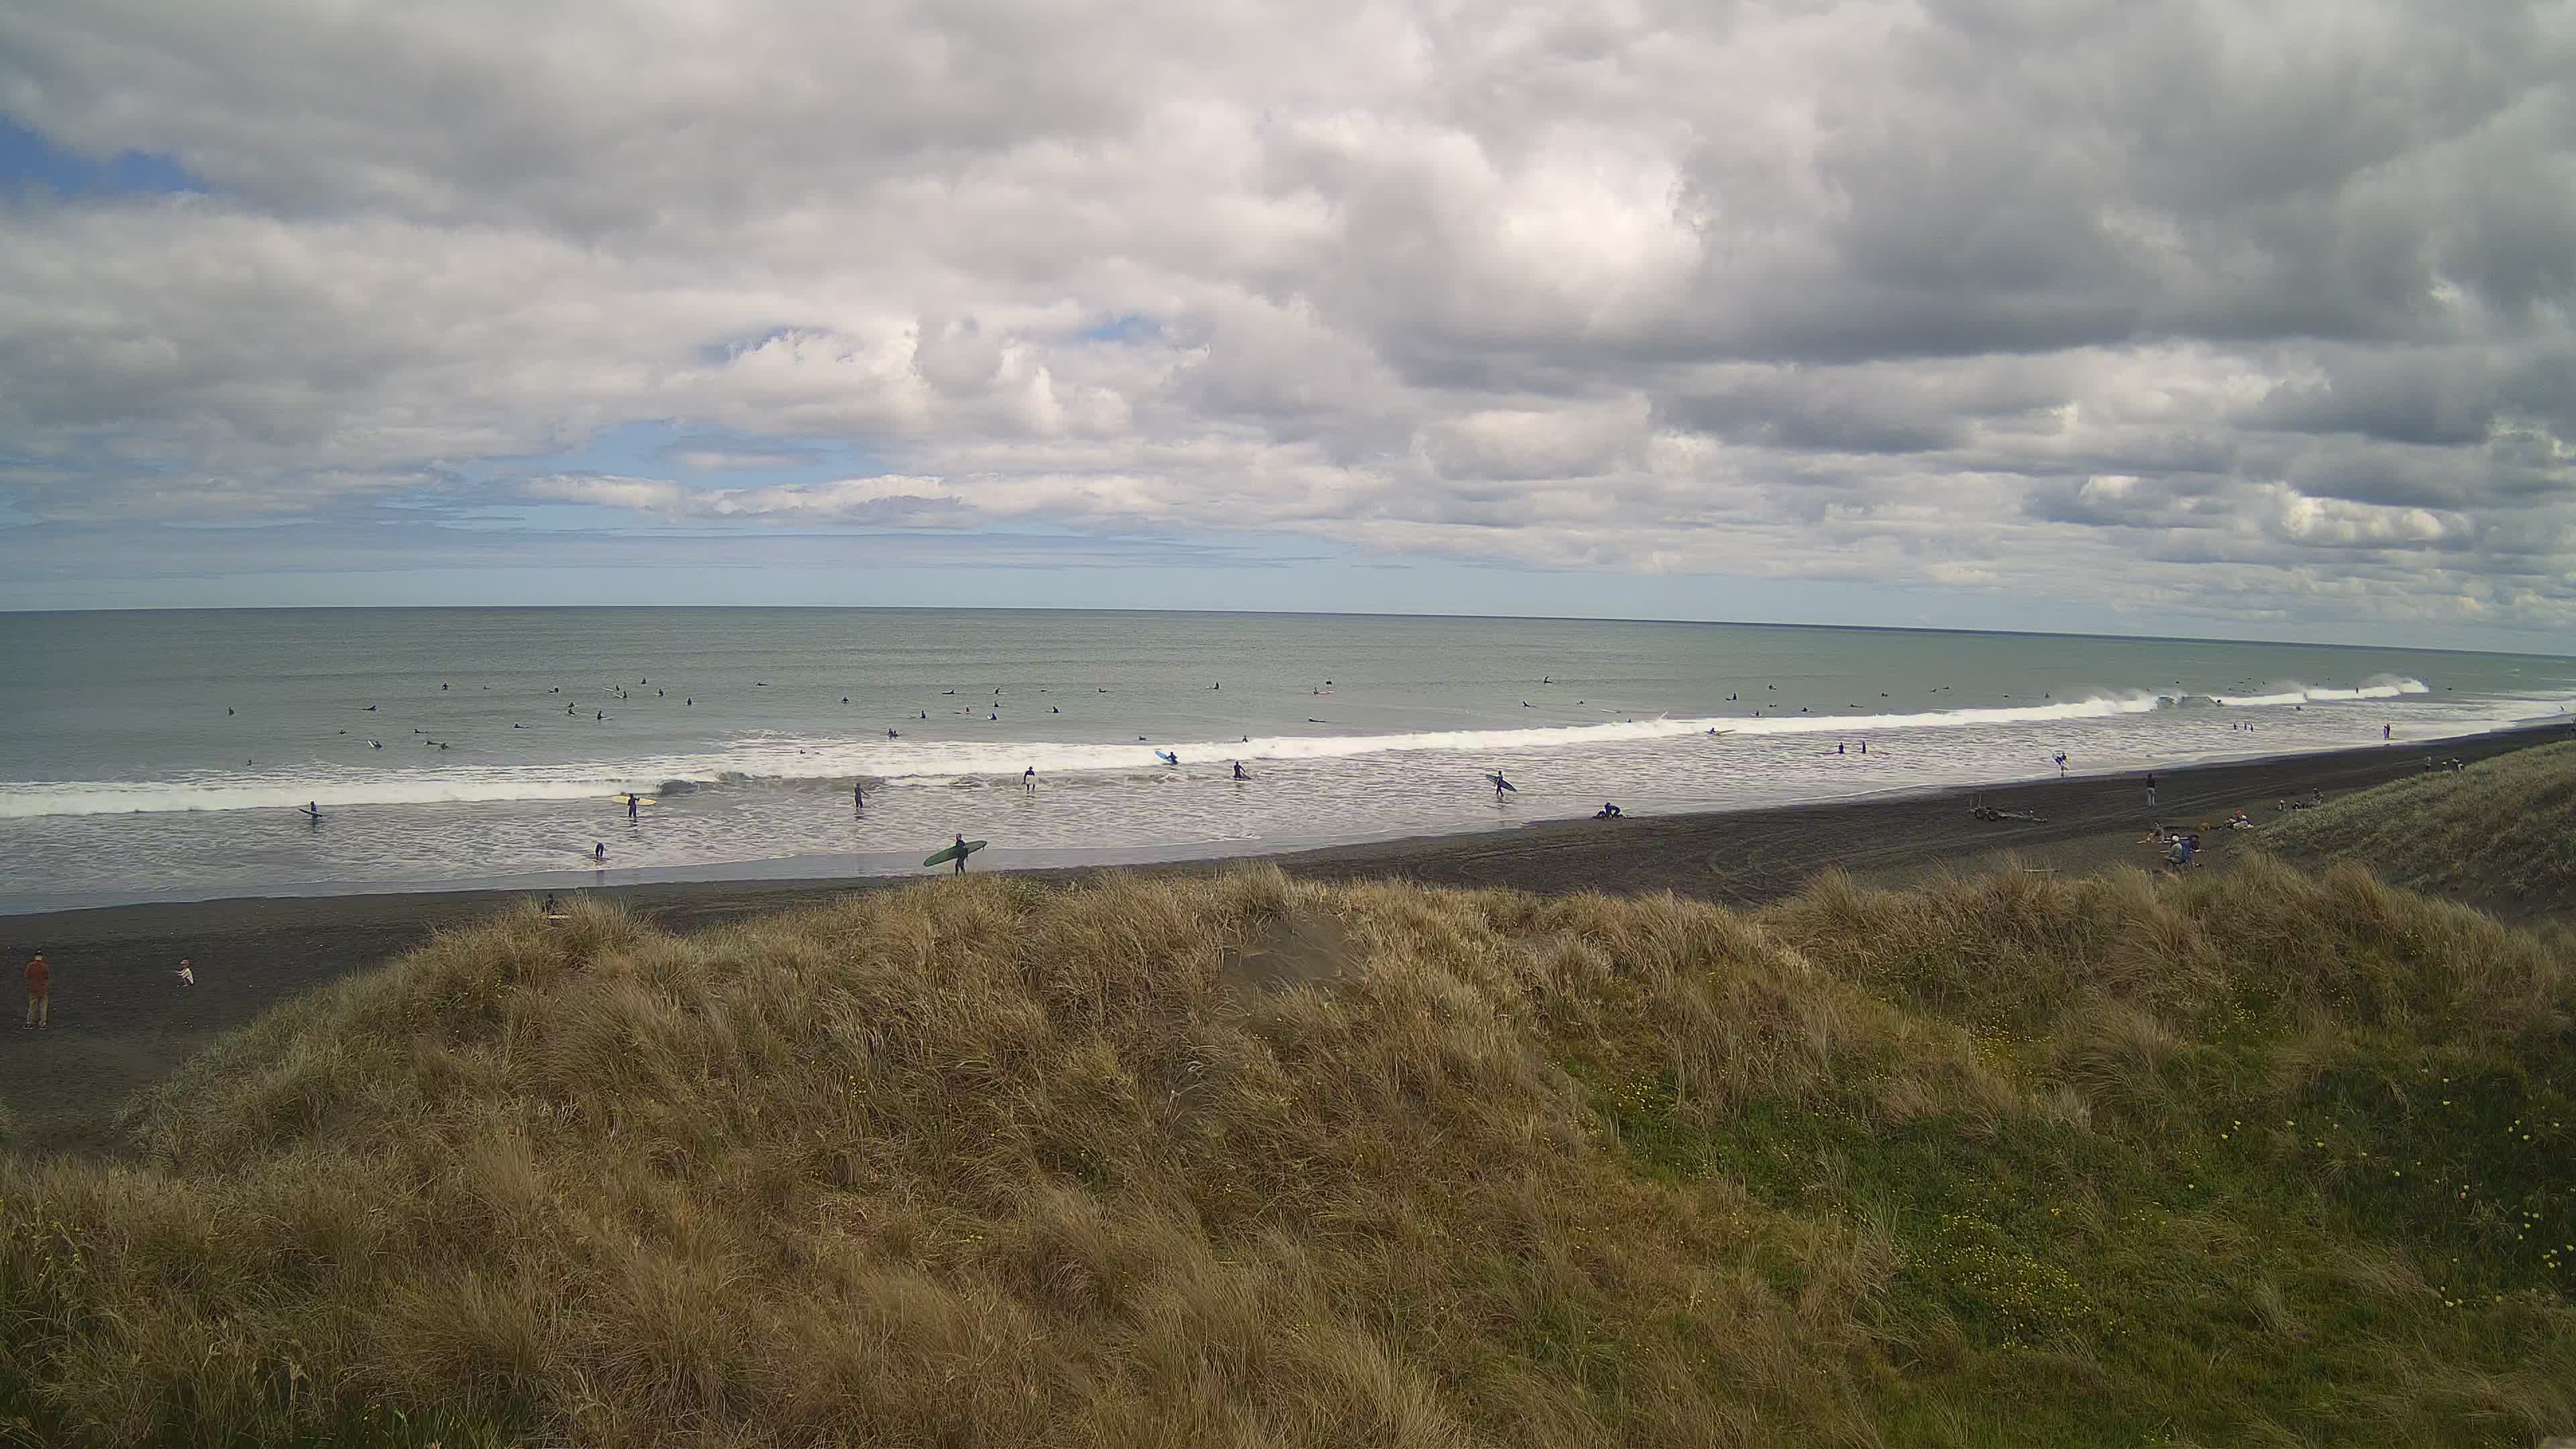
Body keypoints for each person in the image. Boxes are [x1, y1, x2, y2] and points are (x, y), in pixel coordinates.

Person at [22, 952, 48, 1029]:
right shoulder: (45, 966)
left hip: (33, 989)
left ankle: (30, 1022)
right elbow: (47, 977)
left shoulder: (31, 966)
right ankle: (43, 1023)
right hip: (43, 989)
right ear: (42, 957)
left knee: (33, 1006)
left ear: (35, 957)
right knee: (43, 1007)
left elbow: (27, 976)